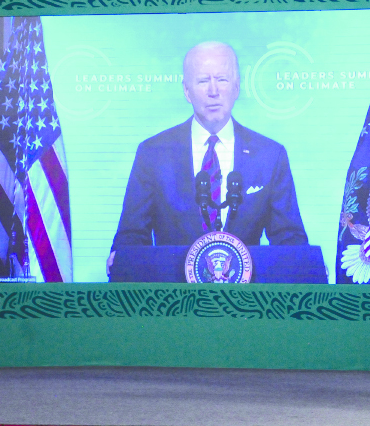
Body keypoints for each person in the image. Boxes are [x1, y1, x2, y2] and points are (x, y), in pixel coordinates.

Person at [107, 42, 308, 273]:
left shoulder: (269, 155)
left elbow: (289, 239)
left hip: (248, 291)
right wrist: (122, 260)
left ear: (237, 87)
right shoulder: (153, 153)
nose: (214, 91)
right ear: (186, 91)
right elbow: (131, 237)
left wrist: (306, 264)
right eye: (203, 81)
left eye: (222, 79)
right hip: (173, 291)